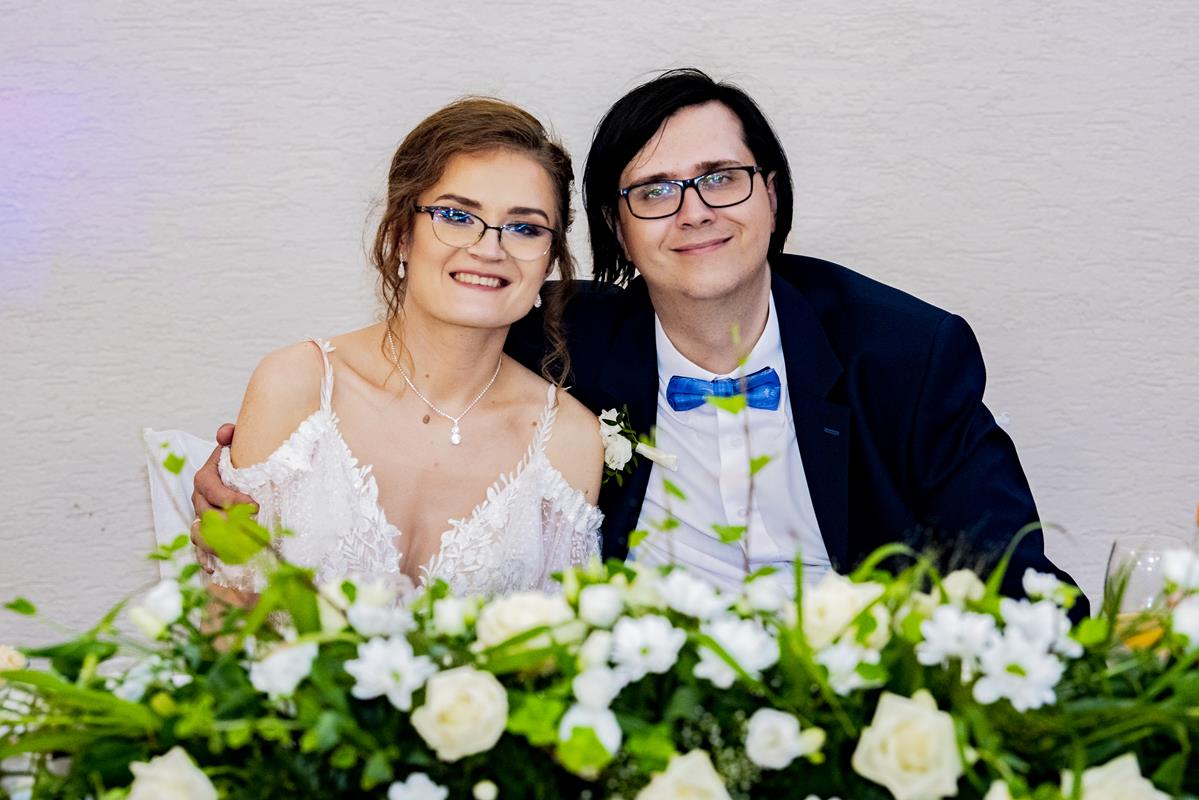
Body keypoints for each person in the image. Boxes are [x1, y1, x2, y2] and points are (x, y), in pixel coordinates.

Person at [196, 69, 1086, 614]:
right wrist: (248, 485)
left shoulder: (903, 355)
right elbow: (428, 347)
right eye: (653, 191)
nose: (692, 211)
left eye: (721, 178)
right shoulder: (561, 337)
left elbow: (1019, 584)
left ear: (772, 194)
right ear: (614, 231)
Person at [195, 98, 604, 599]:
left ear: (551, 259)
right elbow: (229, 609)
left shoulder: (569, 440)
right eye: (456, 215)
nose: (489, 248)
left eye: (525, 228)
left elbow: (561, 638)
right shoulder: (297, 386)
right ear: (401, 234)